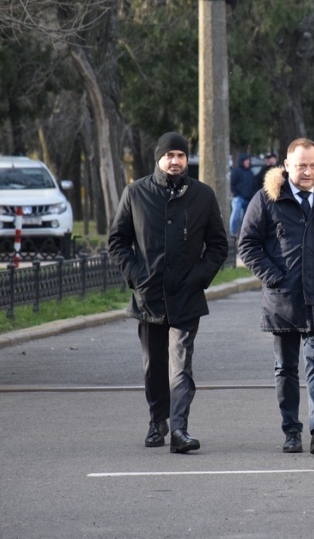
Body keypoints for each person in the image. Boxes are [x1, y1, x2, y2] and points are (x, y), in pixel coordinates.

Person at [108, 132, 228, 454]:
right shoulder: (136, 193)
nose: (175, 161)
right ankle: (156, 421)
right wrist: (136, 277)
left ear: (187, 159)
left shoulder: (202, 196)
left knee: (181, 364)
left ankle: (179, 429)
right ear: (158, 158)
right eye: (169, 155)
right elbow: (117, 241)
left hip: (186, 297)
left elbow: (218, 245)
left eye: (181, 155)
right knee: (154, 364)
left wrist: (198, 279)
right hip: (148, 297)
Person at [238, 138, 314, 455]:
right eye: (301, 165)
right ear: (287, 166)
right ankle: (291, 430)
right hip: (283, 299)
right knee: (286, 367)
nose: (308, 172)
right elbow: (247, 245)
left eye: (313, 166)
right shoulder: (267, 199)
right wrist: (273, 276)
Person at [229, 153, 256, 237]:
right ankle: (232, 232)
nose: (248, 162)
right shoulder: (236, 171)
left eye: (249, 160)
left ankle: (243, 233)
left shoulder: (250, 172)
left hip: (248, 198)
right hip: (238, 198)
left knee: (246, 217)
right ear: (242, 161)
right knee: (236, 213)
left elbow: (253, 184)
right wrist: (236, 193)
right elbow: (232, 184)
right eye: (247, 160)